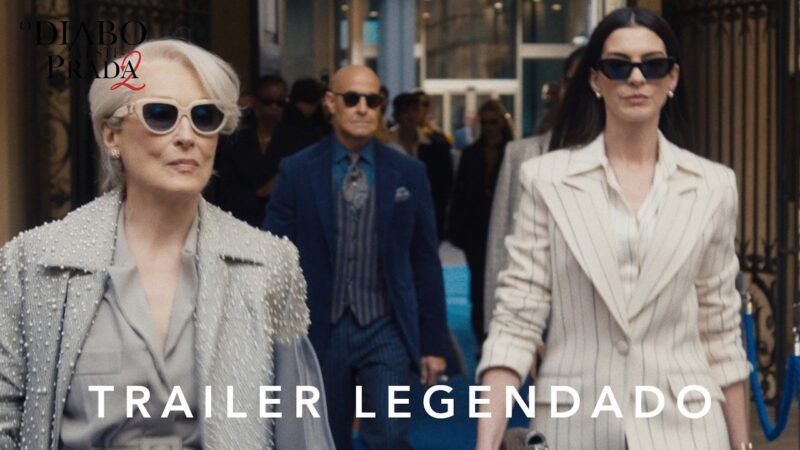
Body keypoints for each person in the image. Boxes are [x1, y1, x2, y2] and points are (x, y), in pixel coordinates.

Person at [0, 39, 333, 449]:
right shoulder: (33, 264)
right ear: (111, 134)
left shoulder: (268, 263)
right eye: (160, 114)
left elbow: (298, 428)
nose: (187, 136)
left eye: (205, 117)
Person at [476, 8, 750, 450]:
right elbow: (515, 322)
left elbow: (720, 331)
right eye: (618, 66)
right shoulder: (546, 179)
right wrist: (485, 443)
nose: (636, 78)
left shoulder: (713, 186)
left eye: (653, 65)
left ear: (672, 77)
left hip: (688, 428)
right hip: (575, 423)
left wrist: (742, 444)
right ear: (595, 80)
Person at [264, 65, 449, 450]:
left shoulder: (409, 173)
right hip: (320, 328)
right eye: (352, 99)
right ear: (331, 103)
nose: (363, 108)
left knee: (389, 435)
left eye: (373, 100)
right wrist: (271, 332)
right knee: (325, 437)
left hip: (386, 326)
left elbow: (425, 261)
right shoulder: (297, 171)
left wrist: (433, 343)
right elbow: (273, 253)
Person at [483, 45, 585, 344]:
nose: (580, 91)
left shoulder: (627, 161)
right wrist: (497, 331)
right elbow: (500, 247)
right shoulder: (521, 155)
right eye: (572, 81)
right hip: (535, 326)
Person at [449, 99, 514, 348]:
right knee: (478, 286)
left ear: (502, 123)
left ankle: (503, 335)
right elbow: (459, 193)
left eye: (493, 122)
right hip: (476, 231)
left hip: (506, 230)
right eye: (484, 122)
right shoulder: (470, 154)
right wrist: (456, 229)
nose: (489, 127)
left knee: (505, 284)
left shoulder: (512, 152)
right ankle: (481, 338)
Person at [213, 75, 288, 226]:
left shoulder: (298, 140)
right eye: (267, 101)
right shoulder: (234, 140)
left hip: (281, 223)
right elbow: (223, 189)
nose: (274, 107)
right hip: (239, 221)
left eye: (280, 103)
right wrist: (260, 192)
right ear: (255, 102)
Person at [388, 92, 454, 240]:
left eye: (415, 110)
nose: (411, 116)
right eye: (406, 111)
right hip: (394, 215)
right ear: (397, 115)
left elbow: (443, 185)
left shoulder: (435, 145)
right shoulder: (386, 145)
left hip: (426, 214)